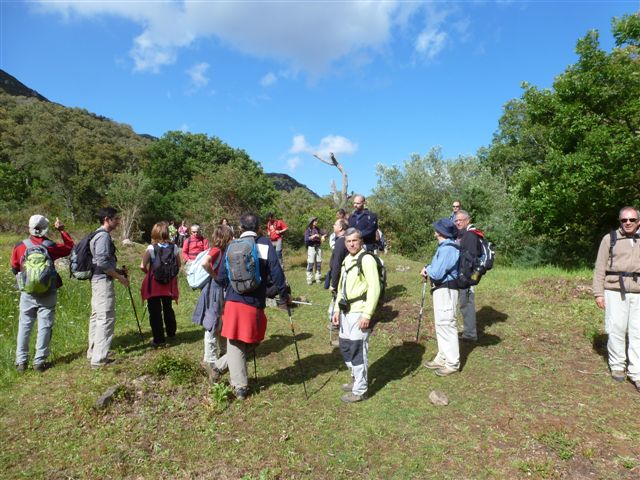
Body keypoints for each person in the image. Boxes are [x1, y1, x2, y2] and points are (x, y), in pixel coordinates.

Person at [208, 214, 291, 400]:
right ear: (259, 227)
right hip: (254, 302)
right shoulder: (264, 244)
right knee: (245, 341)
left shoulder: (232, 246)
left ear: (240, 227)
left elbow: (221, 279)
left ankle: (218, 366)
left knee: (244, 341)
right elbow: (277, 272)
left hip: (233, 300)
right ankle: (240, 387)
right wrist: (284, 296)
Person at [11, 215, 74, 373]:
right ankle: (39, 362)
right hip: (48, 291)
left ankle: (21, 362)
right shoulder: (49, 245)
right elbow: (69, 247)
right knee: (45, 325)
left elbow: (14, 268)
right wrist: (61, 229)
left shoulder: (20, 246)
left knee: (25, 325)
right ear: (45, 228)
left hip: (27, 293)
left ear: (30, 228)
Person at [331, 228, 381, 402]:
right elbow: (340, 288)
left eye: (354, 240)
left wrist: (367, 314)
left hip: (359, 311)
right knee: (345, 347)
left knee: (357, 350)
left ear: (361, 241)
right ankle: (355, 379)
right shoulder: (347, 259)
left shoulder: (366, 260)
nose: (351, 244)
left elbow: (375, 288)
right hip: (345, 312)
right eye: (348, 241)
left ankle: (360, 390)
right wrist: (337, 309)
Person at [593, 206, 640, 390]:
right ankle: (618, 366)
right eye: (624, 220)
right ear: (620, 221)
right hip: (614, 290)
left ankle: (636, 372)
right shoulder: (609, 239)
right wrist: (598, 293)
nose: (628, 223)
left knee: (638, 333)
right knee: (616, 329)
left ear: (638, 221)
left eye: (632, 220)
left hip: (638, 292)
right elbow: (599, 267)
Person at [88, 207, 130, 369]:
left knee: (97, 316)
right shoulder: (103, 237)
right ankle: (99, 359)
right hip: (102, 282)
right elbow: (103, 263)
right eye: (116, 219)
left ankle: (93, 352)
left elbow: (103, 262)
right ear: (107, 219)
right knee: (106, 317)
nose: (118, 222)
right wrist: (120, 278)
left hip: (98, 280)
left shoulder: (97, 234)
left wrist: (118, 271)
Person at [192, 224, 234, 383]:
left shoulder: (223, 250)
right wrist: (215, 276)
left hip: (219, 289)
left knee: (221, 321)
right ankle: (209, 358)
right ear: (225, 236)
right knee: (212, 322)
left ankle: (223, 352)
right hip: (214, 290)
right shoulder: (216, 250)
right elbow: (205, 263)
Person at [421, 218, 460, 377]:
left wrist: (427, 268)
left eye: (436, 228)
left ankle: (452, 363)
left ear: (441, 232)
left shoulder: (448, 249)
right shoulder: (445, 247)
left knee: (447, 324)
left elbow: (437, 272)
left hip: (447, 290)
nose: (434, 230)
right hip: (442, 289)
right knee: (441, 324)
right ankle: (442, 357)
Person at [140, 221, 181, 347]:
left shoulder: (151, 248)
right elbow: (178, 265)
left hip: (154, 284)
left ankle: (159, 339)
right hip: (168, 283)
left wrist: (148, 272)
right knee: (168, 308)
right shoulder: (174, 247)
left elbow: (142, 265)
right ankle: (171, 332)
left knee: (155, 311)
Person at [454, 209, 480, 343]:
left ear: (467, 220)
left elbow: (470, 259)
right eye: (456, 220)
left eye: (460, 220)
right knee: (464, 304)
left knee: (467, 304)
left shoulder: (470, 236)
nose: (458, 222)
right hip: (464, 275)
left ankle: (470, 334)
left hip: (467, 277)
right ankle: (468, 331)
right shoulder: (463, 235)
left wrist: (465, 277)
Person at [325, 218, 349, 334]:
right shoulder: (345, 240)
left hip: (340, 277)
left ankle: (336, 323)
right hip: (343, 276)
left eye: (335, 224)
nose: (333, 226)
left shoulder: (341, 242)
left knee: (338, 300)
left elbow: (337, 264)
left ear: (340, 228)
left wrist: (333, 284)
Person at [304, 217, 326, 285]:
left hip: (318, 247)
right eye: (315, 221)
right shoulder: (308, 230)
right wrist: (313, 236)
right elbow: (306, 239)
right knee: (310, 263)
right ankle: (309, 279)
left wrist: (323, 236)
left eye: (316, 220)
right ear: (311, 222)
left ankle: (318, 278)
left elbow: (325, 233)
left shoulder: (318, 229)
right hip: (311, 248)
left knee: (318, 263)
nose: (316, 222)